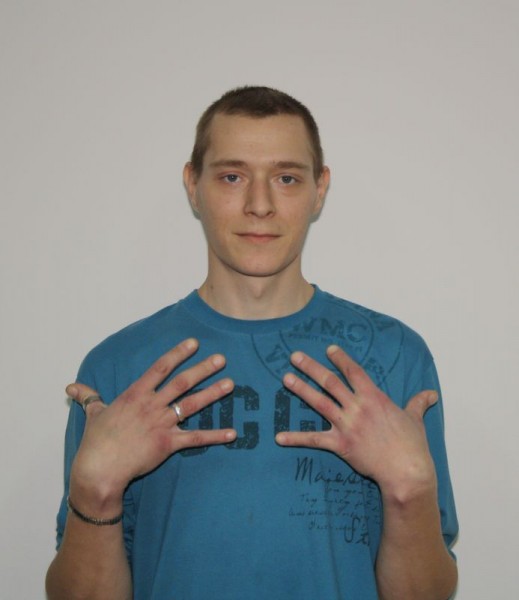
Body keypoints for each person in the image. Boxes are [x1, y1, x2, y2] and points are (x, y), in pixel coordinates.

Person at [46, 86, 458, 600]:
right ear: (193, 185)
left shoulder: (395, 357)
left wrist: (410, 490)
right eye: (232, 177)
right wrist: (95, 491)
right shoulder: (117, 367)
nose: (259, 205)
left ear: (319, 189)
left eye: (286, 178)